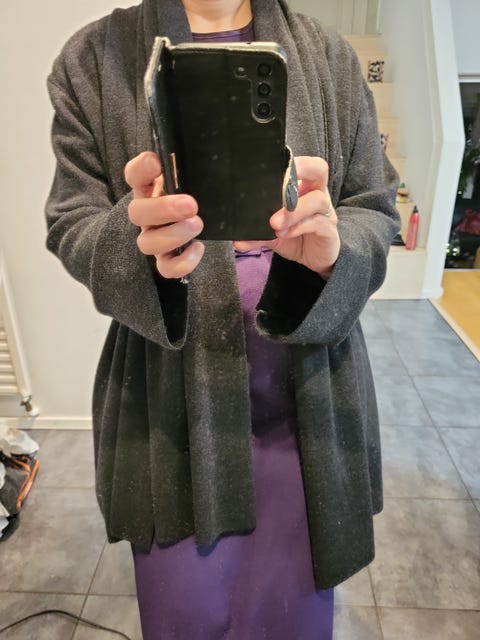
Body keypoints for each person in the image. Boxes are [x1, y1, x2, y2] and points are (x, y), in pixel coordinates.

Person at [45, 0, 400, 638]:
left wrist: (333, 252)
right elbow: (71, 220)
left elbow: (373, 205)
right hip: (168, 415)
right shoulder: (91, 59)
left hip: (309, 404)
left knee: (292, 613)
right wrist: (137, 240)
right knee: (186, 611)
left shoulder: (330, 57)